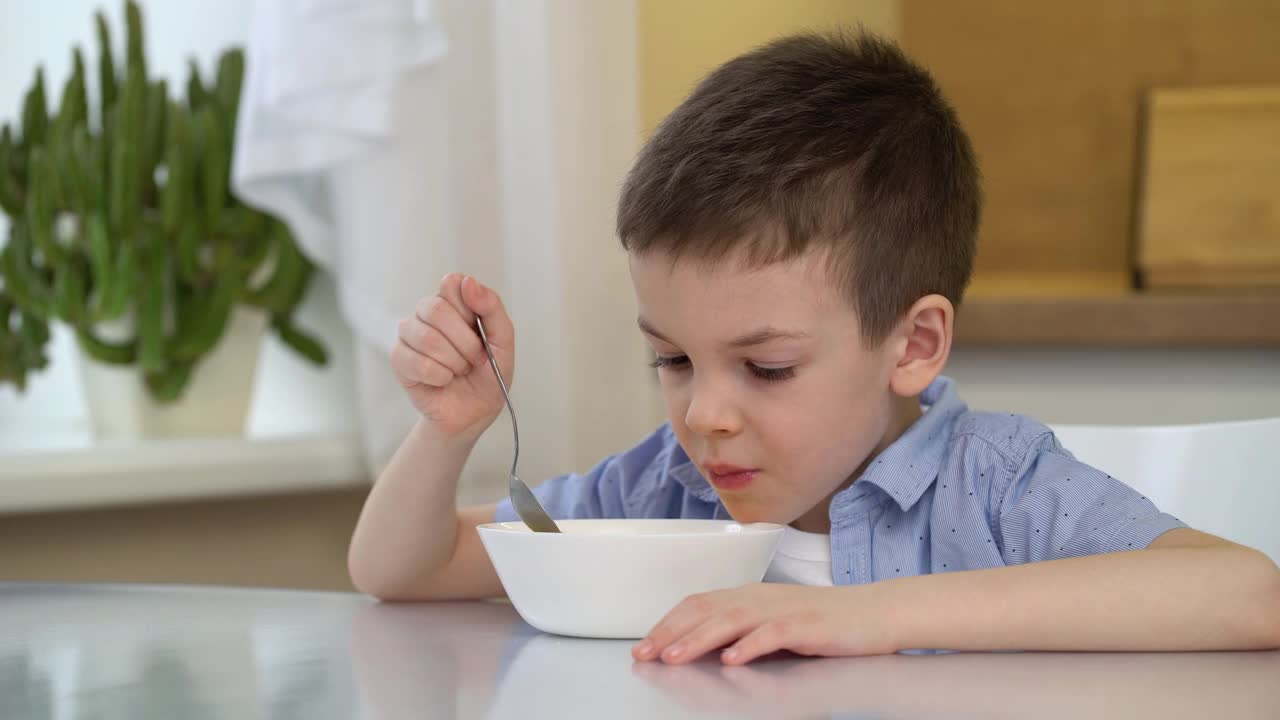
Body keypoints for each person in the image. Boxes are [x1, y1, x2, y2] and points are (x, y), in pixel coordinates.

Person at [348, 30, 1280, 665]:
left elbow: (1246, 595)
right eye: (672, 359)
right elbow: (403, 569)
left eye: (767, 368)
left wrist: (860, 617)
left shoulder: (991, 488)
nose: (703, 416)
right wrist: (448, 433)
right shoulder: (662, 489)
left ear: (913, 344)